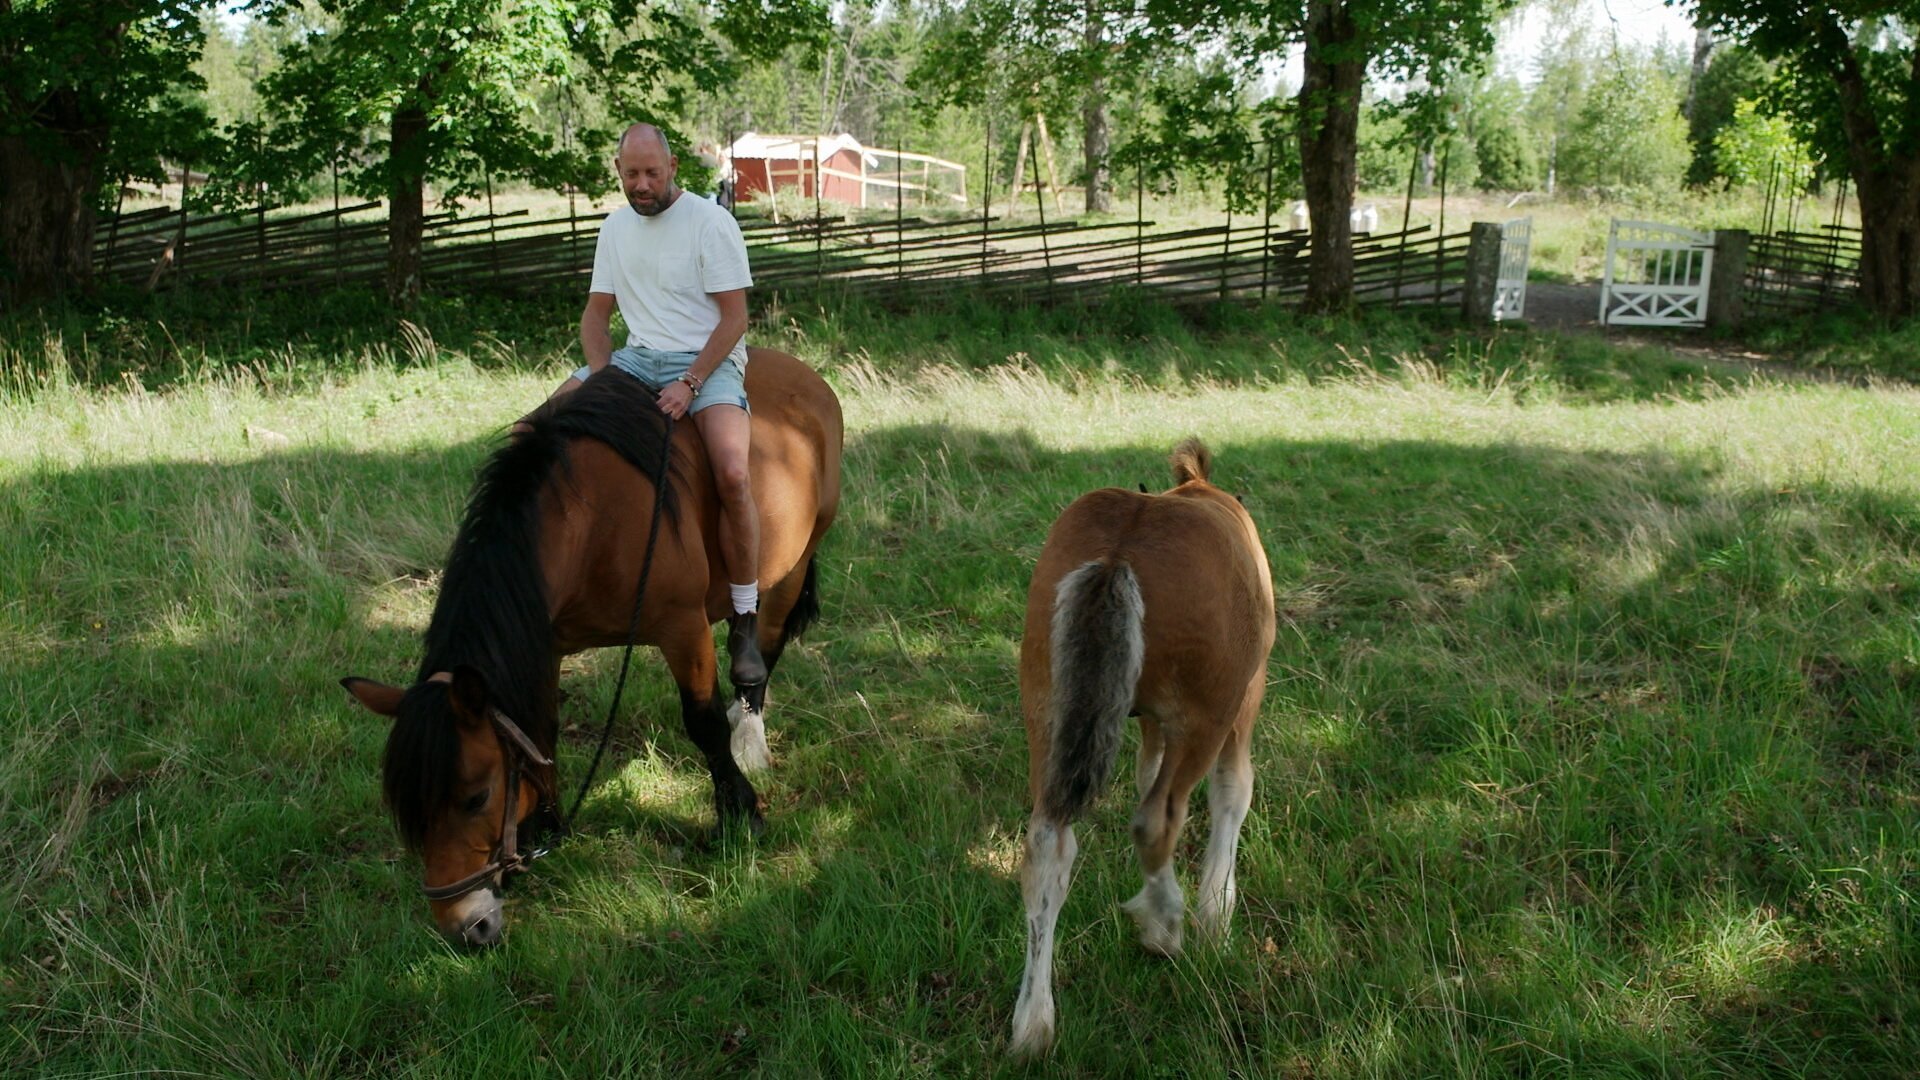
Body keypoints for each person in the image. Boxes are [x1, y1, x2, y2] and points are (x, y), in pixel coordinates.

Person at [526, 122, 766, 687]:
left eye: (651, 172)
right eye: (631, 173)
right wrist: (604, 380)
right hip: (635, 360)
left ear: (673, 165)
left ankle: (746, 613)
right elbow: (595, 315)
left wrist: (691, 380)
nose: (642, 183)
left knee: (732, 472)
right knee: (526, 433)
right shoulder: (614, 228)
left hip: (706, 361)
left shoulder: (710, 222)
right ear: (619, 172)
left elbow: (735, 319)